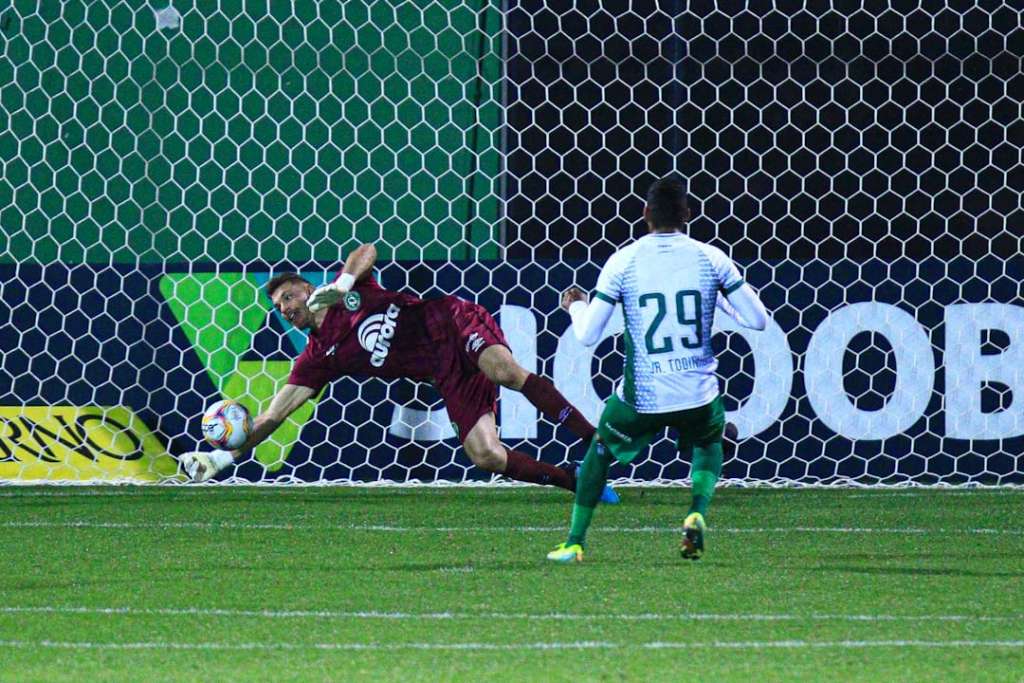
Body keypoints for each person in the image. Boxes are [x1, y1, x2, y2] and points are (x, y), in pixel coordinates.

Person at [180, 243, 617, 502]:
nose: (287, 309)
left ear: (308, 289)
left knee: (504, 370)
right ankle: (578, 483)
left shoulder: (346, 292)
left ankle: (596, 441)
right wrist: (222, 456)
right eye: (279, 308)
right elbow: (272, 417)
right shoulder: (317, 358)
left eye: (290, 297)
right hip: (443, 373)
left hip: (451, 320)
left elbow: (365, 251)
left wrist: (344, 285)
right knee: (486, 455)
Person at [546, 177, 767, 563]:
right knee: (709, 440)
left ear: (644, 215)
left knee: (600, 449)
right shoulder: (711, 258)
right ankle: (696, 510)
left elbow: (586, 335)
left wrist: (575, 306)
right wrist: (722, 299)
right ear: (688, 215)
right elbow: (758, 320)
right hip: (697, 393)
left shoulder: (623, 261)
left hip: (643, 395)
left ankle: (574, 542)